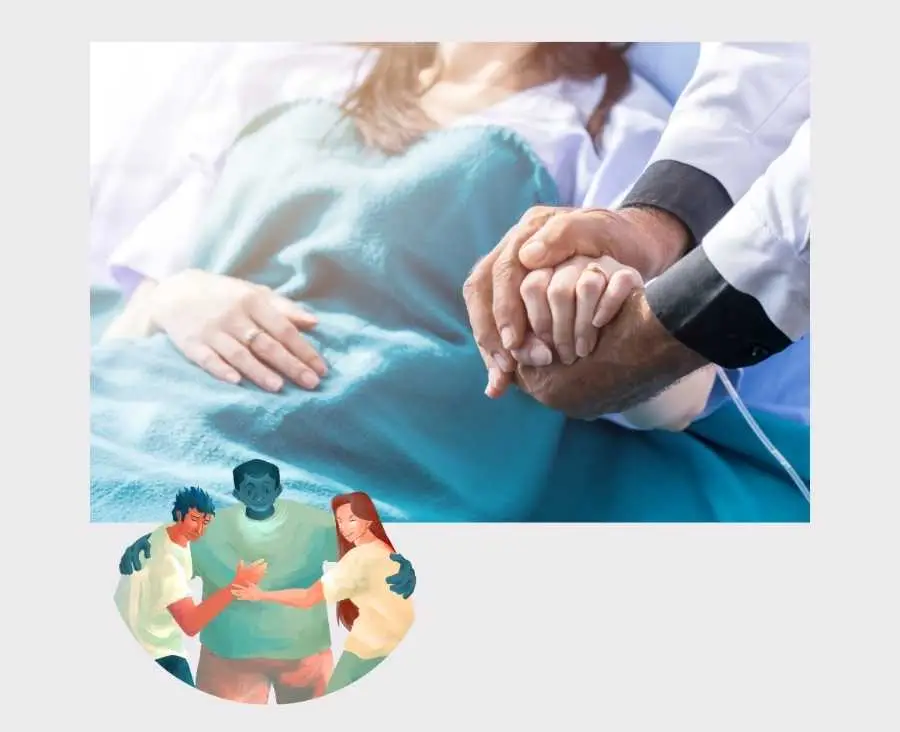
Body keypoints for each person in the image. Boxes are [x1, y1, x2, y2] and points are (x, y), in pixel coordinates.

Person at [92, 42, 718, 524]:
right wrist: (179, 296)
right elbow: (133, 311)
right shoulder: (288, 72)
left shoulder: (621, 132)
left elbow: (680, 394)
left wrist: (602, 308)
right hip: (147, 403)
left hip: (366, 458)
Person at [463, 42, 810, 418]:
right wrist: (650, 225)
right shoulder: (393, 76)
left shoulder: (612, 120)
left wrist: (641, 326)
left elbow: (682, 396)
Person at [117, 459, 416, 703]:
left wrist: (400, 564)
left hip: (305, 659)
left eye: (265, 487)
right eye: (249, 488)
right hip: (228, 660)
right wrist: (146, 544)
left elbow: (364, 547)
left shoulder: (314, 525)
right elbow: (173, 543)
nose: (258, 494)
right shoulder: (209, 529)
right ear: (236, 493)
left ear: (279, 489)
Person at [232, 491, 415, 696]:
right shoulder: (385, 550)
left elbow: (308, 597)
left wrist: (261, 595)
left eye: (352, 519)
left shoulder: (360, 558)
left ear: (369, 519)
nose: (344, 527)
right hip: (392, 643)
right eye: (340, 521)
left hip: (369, 648)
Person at [113, 486, 267, 687]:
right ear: (179, 515)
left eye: (206, 522)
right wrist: (236, 586)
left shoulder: (169, 534)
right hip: (157, 652)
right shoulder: (167, 563)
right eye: (194, 520)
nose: (200, 529)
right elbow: (191, 623)